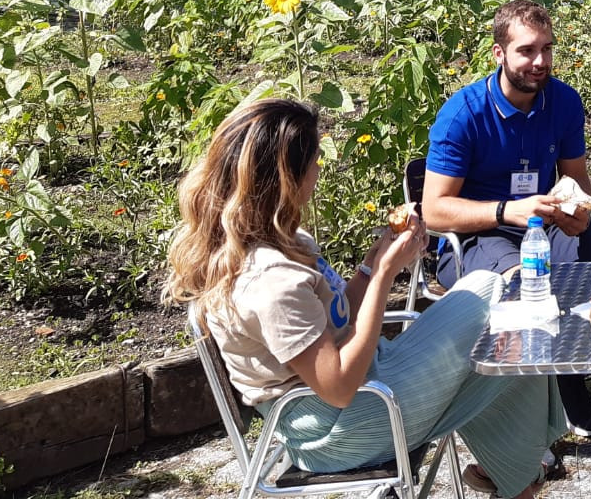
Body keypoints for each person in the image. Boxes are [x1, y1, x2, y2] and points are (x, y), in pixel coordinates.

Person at [165, 99, 561, 495]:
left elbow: (339, 317)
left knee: (500, 311)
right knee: (499, 310)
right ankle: (520, 472)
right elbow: (337, 386)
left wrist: (373, 261)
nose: (320, 168)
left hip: (363, 393)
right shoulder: (270, 280)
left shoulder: (284, 242)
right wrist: (387, 275)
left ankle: (515, 476)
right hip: (340, 430)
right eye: (315, 159)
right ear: (288, 176)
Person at [422, 0, 591, 437]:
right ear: (499, 54)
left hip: (544, 226)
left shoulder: (564, 101)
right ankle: (562, 397)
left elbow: (578, 183)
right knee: (528, 283)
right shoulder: (464, 114)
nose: (540, 62)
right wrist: (506, 211)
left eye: (547, 49)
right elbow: (433, 210)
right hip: (477, 238)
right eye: (527, 51)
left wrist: (577, 213)